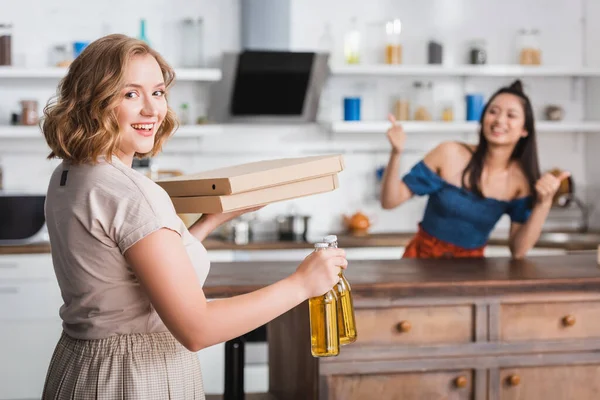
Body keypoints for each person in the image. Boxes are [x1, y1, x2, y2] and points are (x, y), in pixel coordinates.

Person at [41, 34, 347, 400]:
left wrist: (209, 222)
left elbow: (126, 275)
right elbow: (196, 328)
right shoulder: (133, 192)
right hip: (136, 377)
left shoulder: (70, 175)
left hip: (81, 370)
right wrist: (302, 284)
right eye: (130, 94)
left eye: (157, 92)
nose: (153, 110)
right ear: (94, 101)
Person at [380, 80, 569, 259]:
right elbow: (389, 201)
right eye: (493, 111)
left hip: (472, 271)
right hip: (419, 260)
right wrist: (396, 153)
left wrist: (543, 204)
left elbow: (518, 251)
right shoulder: (448, 153)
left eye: (511, 115)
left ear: (524, 130)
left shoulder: (521, 181)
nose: (499, 120)